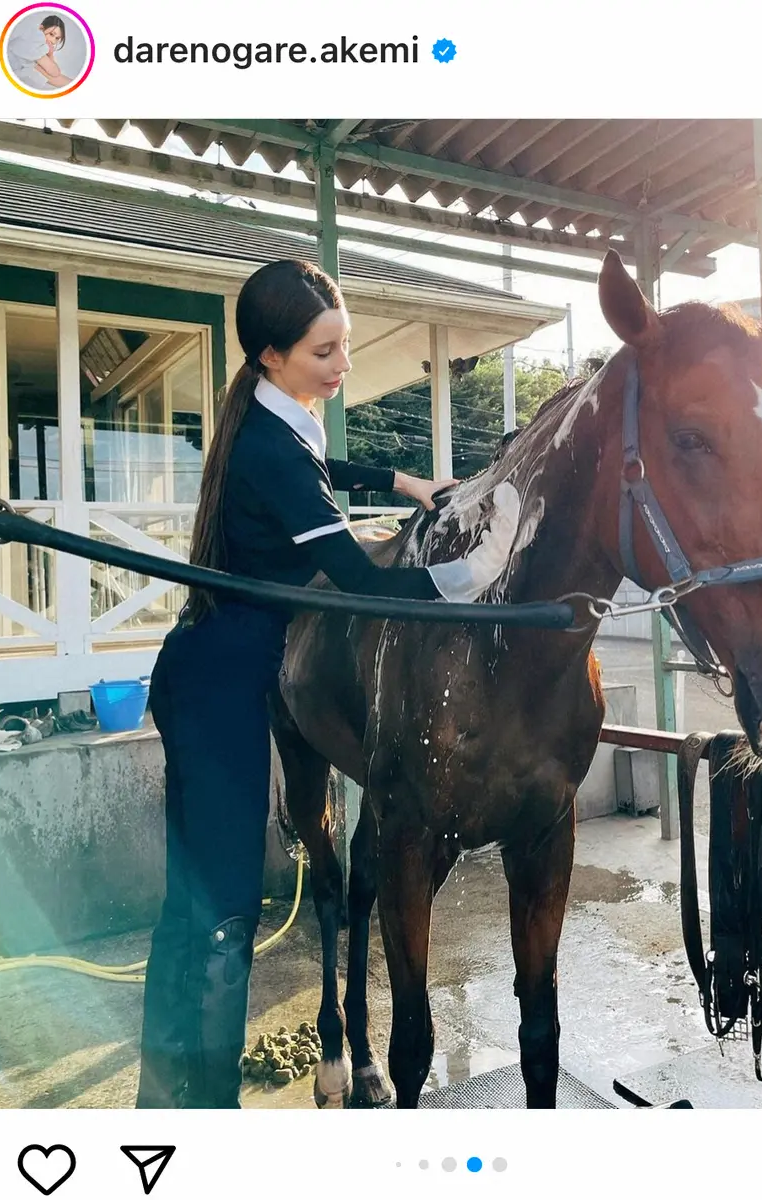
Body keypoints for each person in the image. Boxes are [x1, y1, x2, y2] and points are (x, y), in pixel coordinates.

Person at [136, 258, 520, 1109]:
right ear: (271, 356)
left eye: (344, 343)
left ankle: (166, 1104)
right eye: (324, 352)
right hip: (219, 689)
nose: (343, 365)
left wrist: (398, 481)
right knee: (221, 914)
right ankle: (200, 1112)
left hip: (213, 666)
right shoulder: (269, 448)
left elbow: (319, 467)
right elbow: (359, 582)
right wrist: (476, 572)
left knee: (194, 908)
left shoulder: (274, 415)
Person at [6, 15, 72, 90]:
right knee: (40, 71)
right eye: (51, 34)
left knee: (38, 69)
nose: (53, 41)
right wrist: (50, 54)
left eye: (57, 38)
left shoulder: (29, 39)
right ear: (41, 28)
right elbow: (55, 72)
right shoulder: (38, 40)